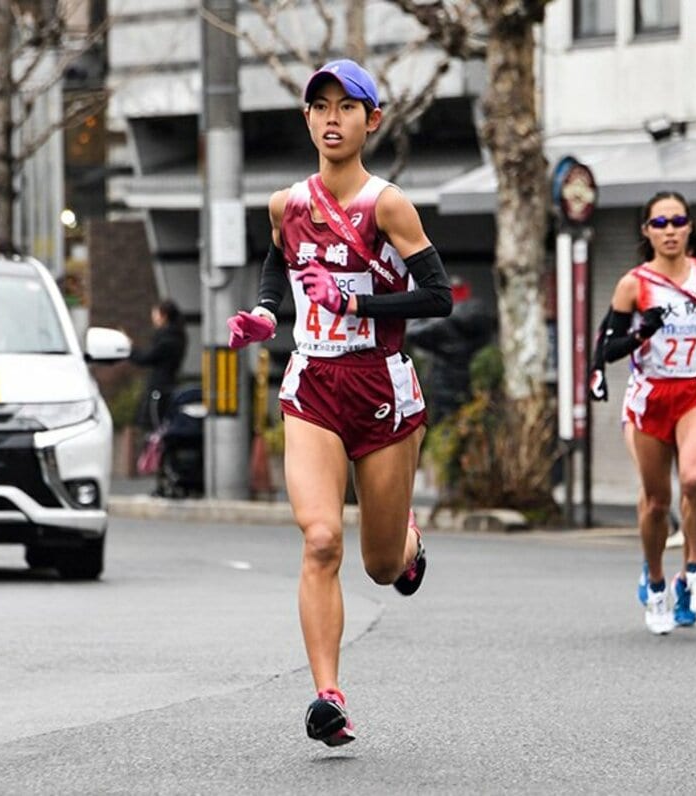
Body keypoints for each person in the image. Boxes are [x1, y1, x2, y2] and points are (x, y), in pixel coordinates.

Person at [226, 59, 453, 746]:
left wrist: (354, 299)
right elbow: (278, 264)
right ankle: (328, 696)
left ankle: (407, 545)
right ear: (306, 119)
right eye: (319, 106)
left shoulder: (388, 205)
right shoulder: (285, 205)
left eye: (346, 107)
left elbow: (437, 296)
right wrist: (268, 314)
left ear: (371, 119)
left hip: (381, 388)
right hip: (314, 387)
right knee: (321, 538)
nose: (332, 118)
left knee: (380, 567)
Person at [595, 190, 696, 635]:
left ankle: (693, 571)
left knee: (694, 481)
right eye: (660, 223)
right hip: (650, 396)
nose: (670, 230)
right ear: (647, 232)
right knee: (656, 502)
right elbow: (606, 349)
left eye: (677, 221)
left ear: (691, 226)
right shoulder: (633, 284)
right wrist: (643, 333)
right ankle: (656, 582)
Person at [406, 280, 495, 425]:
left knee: (444, 430)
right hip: (473, 384)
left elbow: (412, 332)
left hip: (443, 386)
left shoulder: (441, 323)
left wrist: (423, 306)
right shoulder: (481, 316)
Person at [129, 299, 188, 432]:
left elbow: (146, 358)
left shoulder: (167, 339)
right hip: (168, 385)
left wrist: (129, 349)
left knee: (155, 426)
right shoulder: (177, 336)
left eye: (155, 314)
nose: (153, 318)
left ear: (164, 316)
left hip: (159, 389)